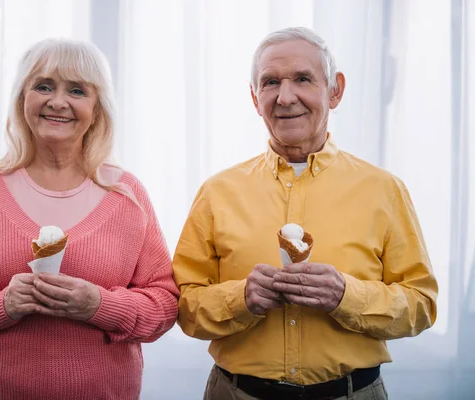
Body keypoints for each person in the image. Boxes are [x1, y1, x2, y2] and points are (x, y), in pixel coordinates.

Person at [172, 26, 438, 400]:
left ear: (335, 90)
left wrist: (347, 296)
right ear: (254, 97)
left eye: (302, 79)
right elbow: (184, 306)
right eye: (270, 82)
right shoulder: (216, 193)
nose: (285, 97)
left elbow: (422, 305)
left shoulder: (385, 190)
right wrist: (241, 298)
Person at [0, 38, 179, 400]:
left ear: (97, 107)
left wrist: (98, 305)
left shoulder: (127, 194)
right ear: (23, 98)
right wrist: (1, 305)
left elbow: (164, 305)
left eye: (76, 90)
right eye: (43, 86)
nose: (58, 102)